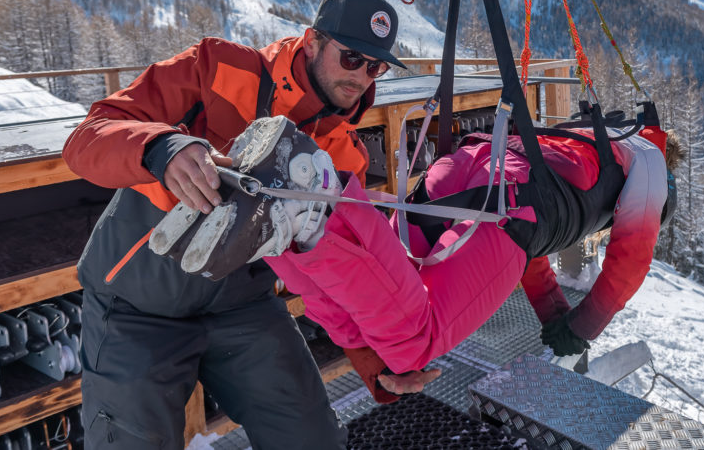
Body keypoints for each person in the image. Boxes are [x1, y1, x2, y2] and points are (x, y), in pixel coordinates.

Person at [63, 0, 405, 449]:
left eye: (375, 66)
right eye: (350, 58)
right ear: (311, 42)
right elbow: (88, 137)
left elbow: (335, 274)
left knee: (313, 439)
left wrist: (372, 359)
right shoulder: (217, 69)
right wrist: (160, 147)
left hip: (243, 303)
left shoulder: (344, 156)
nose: (362, 76)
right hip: (135, 306)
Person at [262, 115, 678, 403]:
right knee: (414, 344)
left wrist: (554, 315)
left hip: (463, 168)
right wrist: (584, 327)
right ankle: (308, 216)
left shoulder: (585, 136)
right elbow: (631, 257)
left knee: (379, 283)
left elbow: (530, 242)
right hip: (509, 201)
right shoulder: (649, 158)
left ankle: (276, 222)